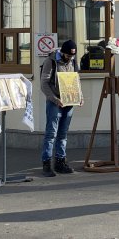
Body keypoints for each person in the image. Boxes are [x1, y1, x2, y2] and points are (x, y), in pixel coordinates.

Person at [41, 39, 81, 177]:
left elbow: (76, 80)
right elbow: (44, 84)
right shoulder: (51, 61)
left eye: (72, 56)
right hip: (55, 102)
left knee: (63, 134)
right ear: (62, 53)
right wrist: (54, 99)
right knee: (51, 133)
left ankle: (60, 162)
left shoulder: (74, 61)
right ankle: (46, 163)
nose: (70, 58)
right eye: (68, 56)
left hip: (69, 102)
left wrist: (79, 96)